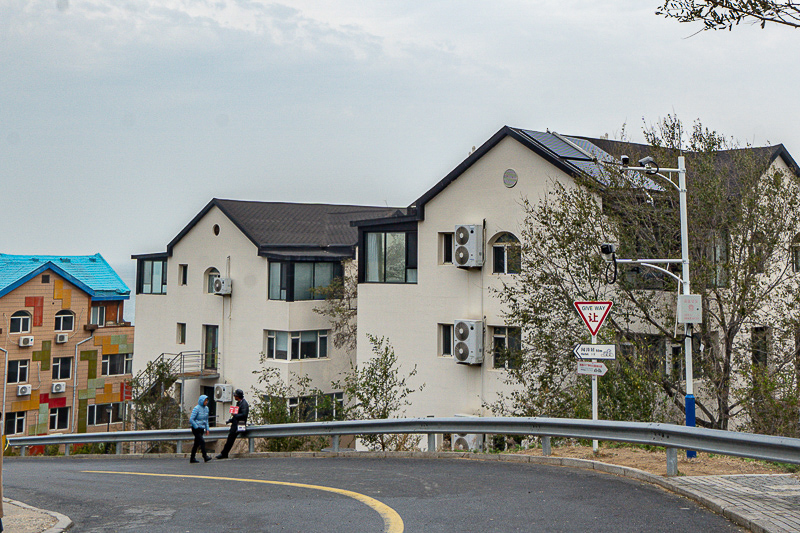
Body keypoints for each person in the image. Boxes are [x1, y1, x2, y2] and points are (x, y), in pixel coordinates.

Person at [216, 389, 249, 459]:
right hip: (235, 423)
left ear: (238, 396)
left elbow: (244, 414)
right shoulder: (239, 403)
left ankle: (224, 453)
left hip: (239, 424)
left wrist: (235, 415)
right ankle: (224, 453)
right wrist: (231, 420)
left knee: (230, 439)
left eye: (235, 395)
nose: (234, 396)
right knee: (230, 439)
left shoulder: (244, 404)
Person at [189, 394, 212, 463]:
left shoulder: (206, 409)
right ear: (202, 401)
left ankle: (192, 458)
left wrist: (207, 429)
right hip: (196, 428)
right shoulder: (196, 408)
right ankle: (205, 456)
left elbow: (206, 420)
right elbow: (191, 419)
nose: (206, 402)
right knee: (202, 441)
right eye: (205, 401)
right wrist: (196, 426)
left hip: (201, 428)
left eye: (207, 401)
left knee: (196, 444)